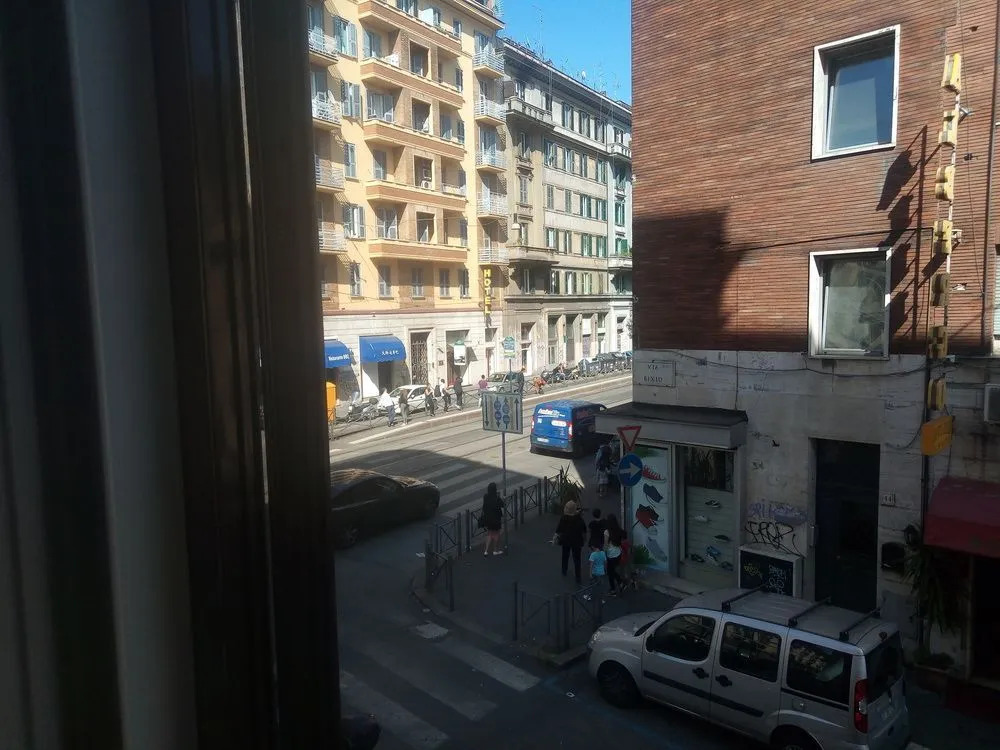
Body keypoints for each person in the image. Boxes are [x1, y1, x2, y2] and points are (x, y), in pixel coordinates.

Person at [555, 500, 587, 584]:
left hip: (566, 540)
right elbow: (584, 530)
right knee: (577, 559)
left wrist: (555, 539)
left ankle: (564, 570)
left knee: (565, 556)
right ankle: (578, 577)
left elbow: (559, 530)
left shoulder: (563, 518)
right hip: (577, 541)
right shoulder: (579, 519)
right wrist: (584, 539)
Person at [481, 482, 504, 556]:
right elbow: (502, 505)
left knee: (490, 534)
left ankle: (486, 551)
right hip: (496, 518)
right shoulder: (496, 498)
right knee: (496, 533)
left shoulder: (485, 496)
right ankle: (495, 550)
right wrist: (499, 497)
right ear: (495, 489)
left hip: (488, 518)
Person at [604, 514, 624, 595]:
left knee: (610, 572)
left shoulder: (607, 532)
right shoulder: (619, 530)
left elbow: (606, 545)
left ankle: (613, 589)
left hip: (610, 554)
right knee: (612, 570)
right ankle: (620, 583)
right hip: (618, 553)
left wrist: (604, 554)